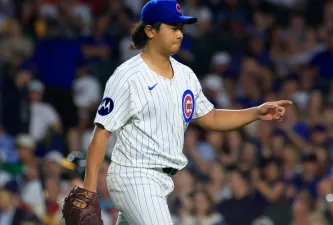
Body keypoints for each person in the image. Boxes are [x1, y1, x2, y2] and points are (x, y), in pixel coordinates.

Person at [68, 0, 292, 225]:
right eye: (173, 28)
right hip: (134, 176)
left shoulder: (185, 75)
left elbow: (211, 117)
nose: (180, 34)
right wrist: (89, 190)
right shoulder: (128, 77)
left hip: (162, 181)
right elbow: (100, 134)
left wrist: (255, 112)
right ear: (150, 30)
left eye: (181, 28)